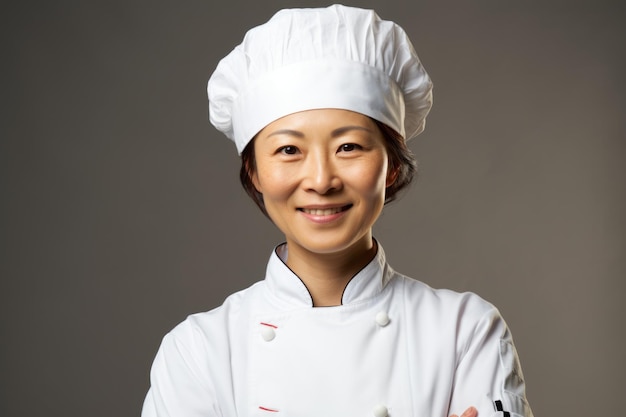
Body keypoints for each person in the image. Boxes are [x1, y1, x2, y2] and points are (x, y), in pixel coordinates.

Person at [141, 5, 533, 417]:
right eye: (289, 150)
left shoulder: (465, 331)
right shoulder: (199, 351)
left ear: (391, 165)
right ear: (254, 171)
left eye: (349, 147)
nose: (321, 180)